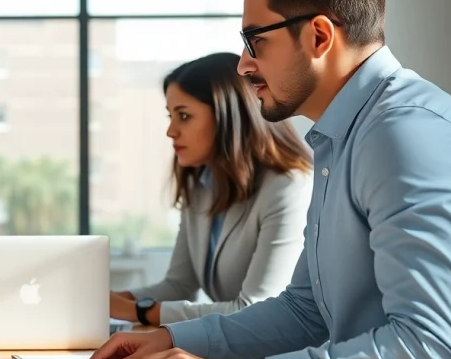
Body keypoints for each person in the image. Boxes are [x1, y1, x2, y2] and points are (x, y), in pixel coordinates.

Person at [79, 0, 451, 359]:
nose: (243, 64)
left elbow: (428, 351)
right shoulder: (343, 137)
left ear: (319, 36)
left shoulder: (405, 134)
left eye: (256, 41)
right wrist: (173, 340)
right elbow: (305, 312)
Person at [111, 52, 312, 327]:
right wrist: (110, 301)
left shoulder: (287, 188)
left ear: (228, 116)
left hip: (283, 351)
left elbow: (254, 309)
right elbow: (179, 285)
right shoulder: (200, 185)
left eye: (184, 116)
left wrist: (138, 311)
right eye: (171, 116)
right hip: (233, 344)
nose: (171, 131)